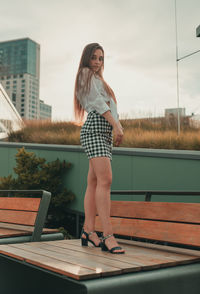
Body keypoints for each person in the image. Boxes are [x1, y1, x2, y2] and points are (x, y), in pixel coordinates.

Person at [74, 43, 125, 254]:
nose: (97, 62)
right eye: (94, 57)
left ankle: (88, 231)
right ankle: (108, 235)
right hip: (95, 129)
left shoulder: (99, 79)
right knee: (106, 180)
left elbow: (111, 105)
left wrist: (114, 126)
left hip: (104, 131)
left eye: (101, 58)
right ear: (87, 58)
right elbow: (96, 102)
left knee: (94, 182)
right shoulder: (85, 73)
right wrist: (116, 125)